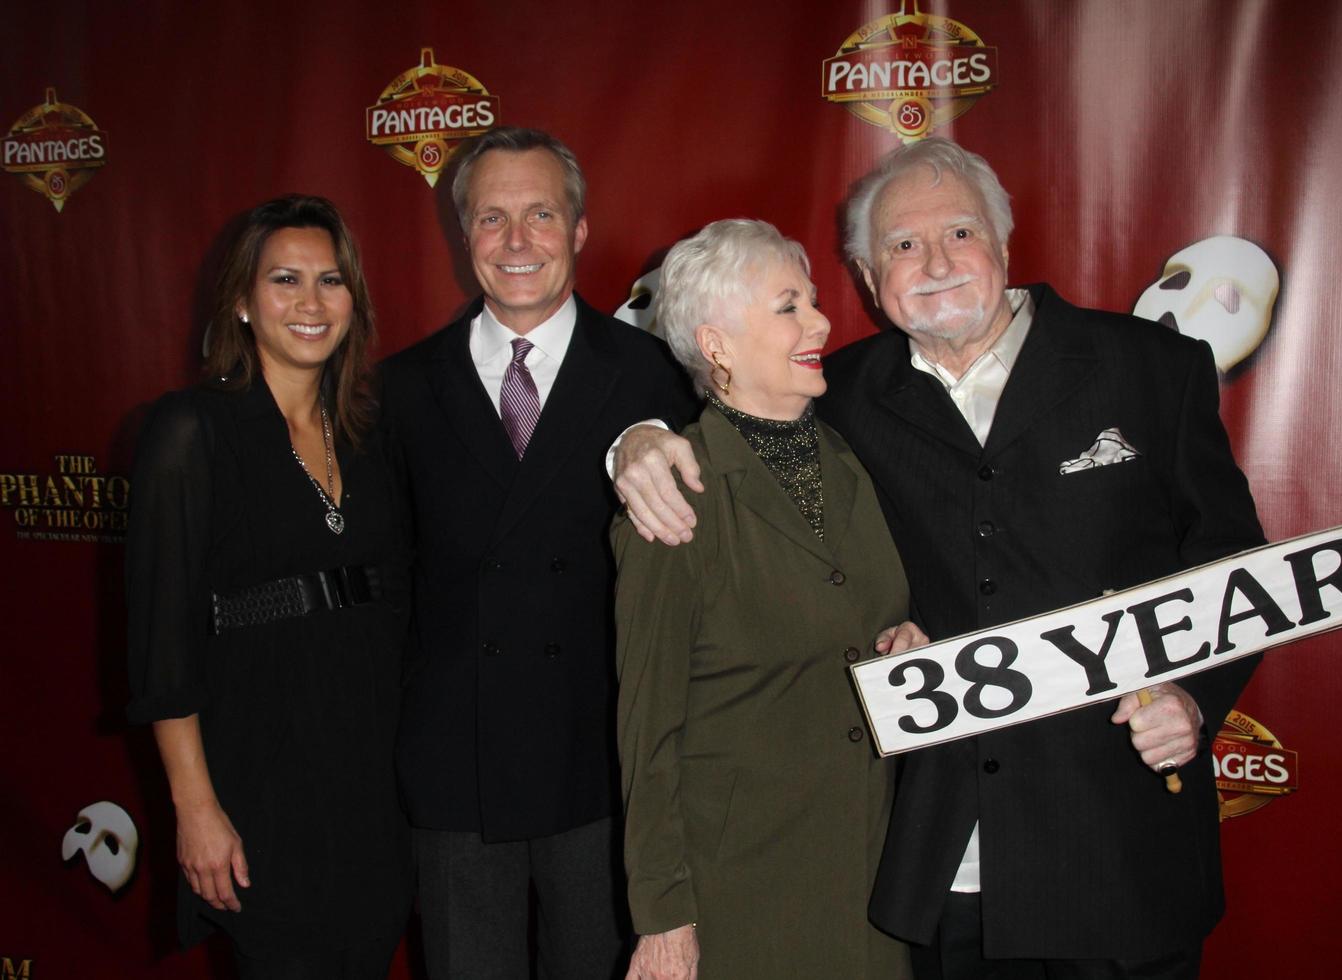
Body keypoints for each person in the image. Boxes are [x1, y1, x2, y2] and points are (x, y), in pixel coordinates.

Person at [613, 139, 1265, 979]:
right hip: (935, 867)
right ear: (867, 274)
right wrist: (635, 443)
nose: (935, 264)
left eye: (959, 233)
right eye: (902, 246)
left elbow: (1233, 561)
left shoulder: (1149, 368)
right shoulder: (838, 391)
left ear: (1003, 239)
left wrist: (1193, 693)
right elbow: (717, 397)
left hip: (1118, 849)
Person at [380, 127, 698, 979]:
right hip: (454, 770)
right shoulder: (400, 390)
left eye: (540, 215)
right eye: (492, 218)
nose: (516, 242)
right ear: (464, 235)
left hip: (603, 768)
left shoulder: (660, 376)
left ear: (581, 230)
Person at [615, 219, 921, 980]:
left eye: (813, 300)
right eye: (790, 305)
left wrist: (912, 644)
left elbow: (861, 619)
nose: (822, 321)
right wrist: (664, 919)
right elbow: (645, 735)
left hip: (870, 876)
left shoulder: (848, 459)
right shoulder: (676, 494)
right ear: (716, 344)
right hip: (739, 894)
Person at [126, 195, 412, 979]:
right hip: (260, 774)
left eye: (331, 280)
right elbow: (162, 641)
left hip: (371, 775)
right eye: (285, 279)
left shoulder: (371, 432)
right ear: (243, 303)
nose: (311, 303)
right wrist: (195, 807)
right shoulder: (191, 431)